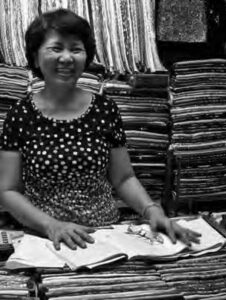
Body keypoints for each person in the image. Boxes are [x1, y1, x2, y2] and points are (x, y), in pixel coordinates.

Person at [0, 9, 200, 251]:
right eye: (56, 48)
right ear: (35, 56)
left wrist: (153, 211)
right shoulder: (21, 115)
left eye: (76, 49)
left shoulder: (104, 109)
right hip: (47, 240)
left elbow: (123, 178)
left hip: (104, 237)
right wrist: (51, 225)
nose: (66, 58)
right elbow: (8, 190)